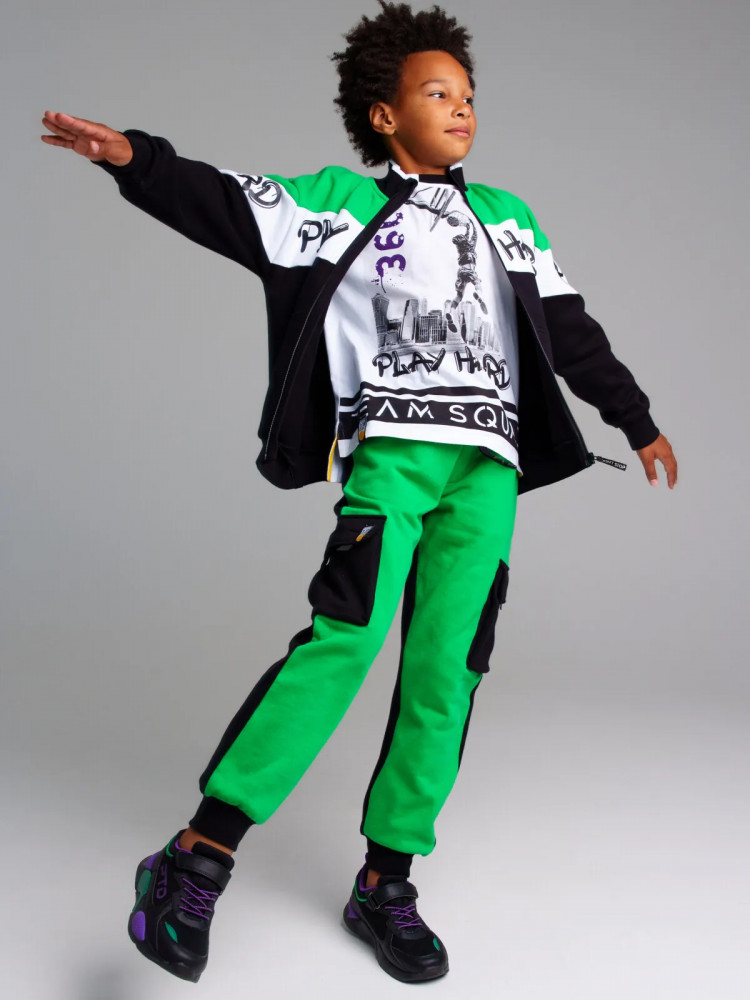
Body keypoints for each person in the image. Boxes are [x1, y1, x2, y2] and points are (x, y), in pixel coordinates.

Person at [40, 0, 677, 986]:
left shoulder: (509, 219)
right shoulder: (339, 204)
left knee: (449, 669)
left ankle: (386, 880)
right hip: (395, 457)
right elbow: (226, 203)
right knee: (343, 641)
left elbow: (570, 327)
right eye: (438, 93)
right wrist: (135, 159)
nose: (461, 109)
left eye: (469, 96)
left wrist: (632, 415)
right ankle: (196, 856)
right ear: (385, 115)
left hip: (489, 469)